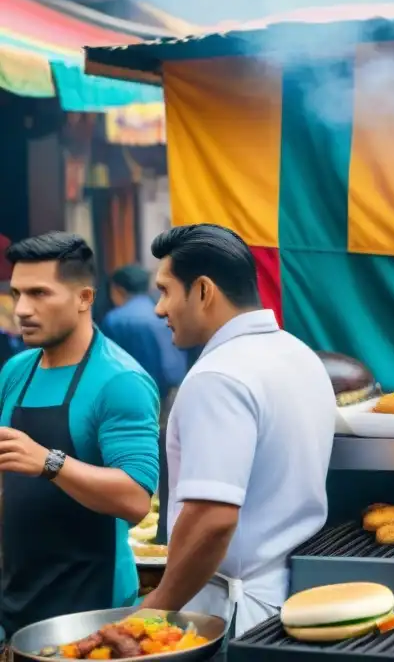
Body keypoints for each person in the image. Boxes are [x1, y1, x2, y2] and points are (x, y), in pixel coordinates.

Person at [139, 224, 335, 636]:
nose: (159, 309)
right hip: (290, 604)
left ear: (204, 291)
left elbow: (213, 518)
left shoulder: (219, 376)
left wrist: (156, 607)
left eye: (166, 290)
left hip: (230, 617)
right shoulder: (300, 355)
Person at [0, 233, 159, 637]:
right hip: (16, 596)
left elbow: (136, 500)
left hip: (92, 608)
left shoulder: (120, 381)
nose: (21, 309)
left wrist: (49, 462)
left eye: (39, 293)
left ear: (84, 298)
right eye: (16, 293)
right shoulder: (16, 371)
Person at [101, 264, 187, 419]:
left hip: (135, 398)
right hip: (173, 393)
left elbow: (107, 365)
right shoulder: (162, 312)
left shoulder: (115, 319)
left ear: (117, 290)